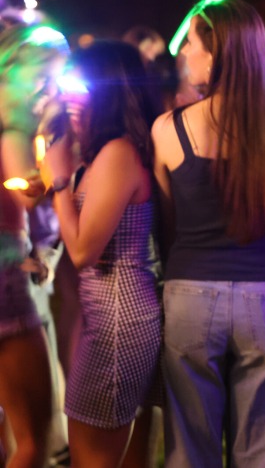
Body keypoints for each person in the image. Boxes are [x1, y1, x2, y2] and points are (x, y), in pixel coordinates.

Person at [151, 0, 265, 467]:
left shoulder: (167, 129)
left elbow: (169, 215)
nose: (184, 54)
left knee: (189, 446)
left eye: (191, 44)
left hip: (191, 288)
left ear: (215, 54)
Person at [38, 40, 161, 468]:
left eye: (82, 85)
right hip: (107, 316)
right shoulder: (103, 154)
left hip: (117, 320)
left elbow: (84, 250)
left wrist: (58, 180)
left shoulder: (119, 154)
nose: (70, 95)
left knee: (93, 458)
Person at [0, 23, 68, 468]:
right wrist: (59, 170)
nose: (46, 83)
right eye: (43, 71)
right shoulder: (13, 116)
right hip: (5, 270)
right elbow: (24, 186)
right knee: (35, 436)